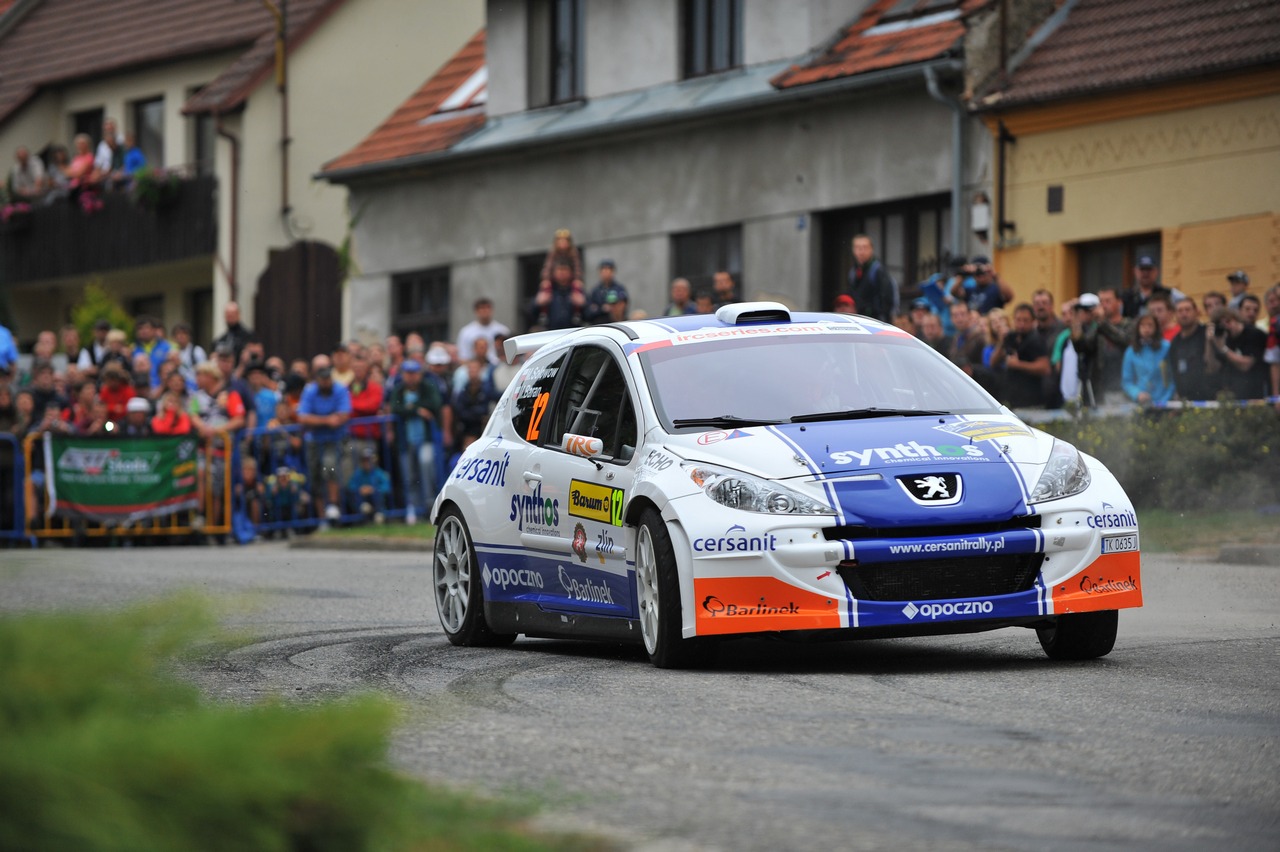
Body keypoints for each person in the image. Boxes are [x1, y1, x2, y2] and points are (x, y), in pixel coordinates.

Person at [295, 365, 351, 525]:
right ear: (317, 379)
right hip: (314, 440)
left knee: (329, 466)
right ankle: (321, 518)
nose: (326, 382)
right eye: (323, 379)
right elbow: (302, 417)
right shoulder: (310, 391)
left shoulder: (339, 389)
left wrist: (317, 420)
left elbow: (343, 415)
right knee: (315, 477)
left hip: (335, 439)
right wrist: (327, 420)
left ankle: (333, 506)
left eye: (328, 378)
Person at [388, 359, 442, 522]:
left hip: (425, 438)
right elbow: (395, 408)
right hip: (406, 441)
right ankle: (414, 507)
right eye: (407, 373)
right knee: (409, 475)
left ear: (419, 374)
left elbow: (435, 403)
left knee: (426, 465)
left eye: (414, 373)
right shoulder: (398, 390)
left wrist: (410, 408)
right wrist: (417, 409)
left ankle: (429, 504)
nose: (411, 377)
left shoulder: (427, 386)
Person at [1070, 290, 1130, 407]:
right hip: (1100, 387)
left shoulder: (1128, 324)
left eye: (1108, 301)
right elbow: (1082, 347)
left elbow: (1124, 341)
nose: (1103, 305)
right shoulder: (1097, 328)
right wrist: (1076, 320)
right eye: (1101, 301)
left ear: (1119, 303)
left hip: (1122, 386)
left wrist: (1102, 322)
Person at [989, 304, 1050, 408]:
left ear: (1033, 321)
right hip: (1011, 398)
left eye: (1025, 320)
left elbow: (1044, 368)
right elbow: (993, 362)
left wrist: (1018, 364)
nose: (1021, 324)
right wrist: (1002, 342)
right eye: (1018, 320)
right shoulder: (1011, 337)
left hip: (1031, 400)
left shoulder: (1036, 340)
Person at [1208, 306, 1268, 400]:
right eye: (1221, 325)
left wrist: (1223, 348)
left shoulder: (1253, 334)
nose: (1227, 326)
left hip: (1255, 394)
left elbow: (1246, 365)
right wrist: (1210, 342)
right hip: (1232, 394)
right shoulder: (1223, 338)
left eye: (1228, 321)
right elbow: (1212, 367)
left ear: (1235, 318)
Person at [1166, 298, 1218, 401]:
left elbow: (1213, 365)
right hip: (1186, 402)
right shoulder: (1175, 342)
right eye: (1180, 311)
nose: (1184, 314)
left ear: (1196, 312)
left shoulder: (1208, 334)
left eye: (1187, 310)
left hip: (1210, 400)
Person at [1121, 314, 1173, 407]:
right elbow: (1127, 381)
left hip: (1165, 401)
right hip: (1142, 402)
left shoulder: (1166, 347)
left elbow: (1173, 377)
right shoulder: (1131, 351)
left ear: (1156, 328)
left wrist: (1165, 399)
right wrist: (1137, 394)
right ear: (1137, 328)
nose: (1146, 329)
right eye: (1143, 325)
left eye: (1150, 325)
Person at [845, 235, 896, 322]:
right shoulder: (853, 272)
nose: (861, 251)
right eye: (858, 248)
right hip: (858, 319)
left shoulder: (877, 270)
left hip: (876, 320)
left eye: (865, 247)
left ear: (871, 249)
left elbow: (886, 297)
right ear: (853, 250)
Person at [533, 259, 586, 329]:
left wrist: (583, 304)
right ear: (553, 272)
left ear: (571, 272)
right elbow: (531, 314)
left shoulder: (576, 289)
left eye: (565, 270)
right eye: (559, 270)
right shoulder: (546, 289)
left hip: (573, 330)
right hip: (550, 331)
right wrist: (537, 303)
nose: (562, 273)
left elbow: (589, 314)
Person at [345, 446, 391, 524]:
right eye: (364, 460)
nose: (367, 463)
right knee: (353, 494)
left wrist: (373, 489)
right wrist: (361, 489)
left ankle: (378, 514)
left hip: (375, 498)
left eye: (369, 460)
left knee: (378, 493)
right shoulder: (358, 473)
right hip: (362, 498)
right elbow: (351, 486)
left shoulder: (379, 473)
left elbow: (387, 487)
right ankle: (363, 510)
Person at [456, 297, 510, 363]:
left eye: (487, 308)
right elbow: (463, 356)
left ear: (492, 310)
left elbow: (509, 354)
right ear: (476, 311)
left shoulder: (503, 331)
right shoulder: (466, 332)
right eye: (481, 308)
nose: (485, 311)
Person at [584, 260, 629, 325]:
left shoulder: (619, 289)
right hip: (599, 324)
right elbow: (589, 311)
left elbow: (622, 305)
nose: (606, 273)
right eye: (603, 270)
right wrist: (602, 309)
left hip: (616, 323)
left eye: (608, 270)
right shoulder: (595, 291)